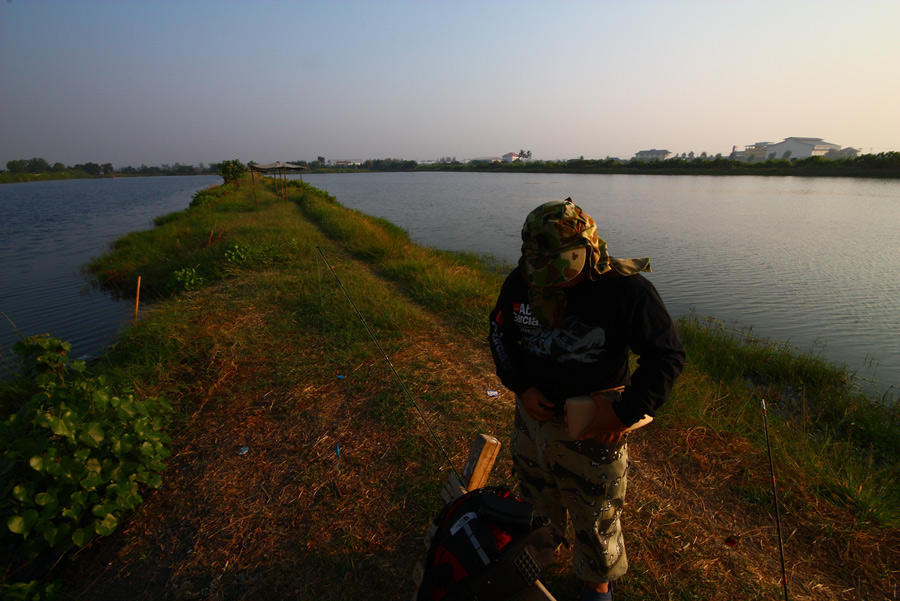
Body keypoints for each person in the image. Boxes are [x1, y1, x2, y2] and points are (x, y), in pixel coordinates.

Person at [488, 198, 685, 601]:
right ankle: (541, 551)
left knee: (596, 512)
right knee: (535, 494)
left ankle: (596, 583)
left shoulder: (625, 291)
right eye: (539, 268)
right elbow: (499, 334)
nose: (551, 281)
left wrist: (624, 413)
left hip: (594, 429)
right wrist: (520, 386)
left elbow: (666, 356)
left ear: (588, 250)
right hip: (532, 422)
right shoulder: (521, 280)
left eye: (560, 268)